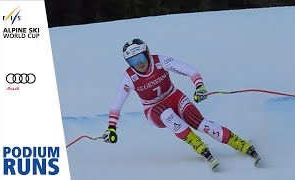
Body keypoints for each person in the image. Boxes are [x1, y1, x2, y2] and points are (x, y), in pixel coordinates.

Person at [102, 38, 261, 171]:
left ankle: (242, 144)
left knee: (202, 124)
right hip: (153, 110)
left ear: (147, 54)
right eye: (133, 60)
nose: (139, 63)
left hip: (174, 97)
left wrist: (199, 86)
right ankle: (198, 145)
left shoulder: (160, 61)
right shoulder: (129, 77)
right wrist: (111, 128)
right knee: (167, 114)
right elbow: (117, 104)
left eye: (141, 57)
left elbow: (189, 70)